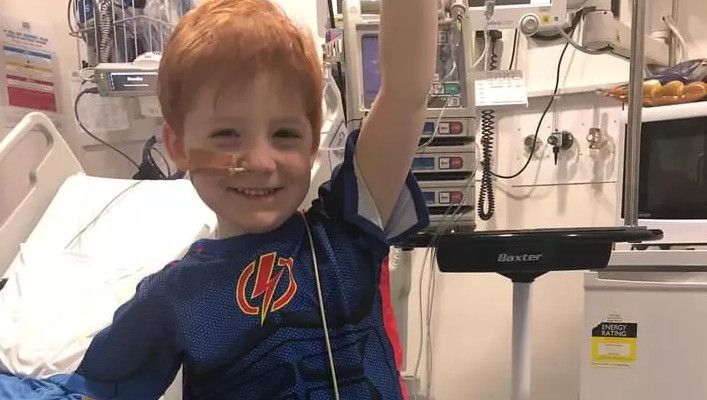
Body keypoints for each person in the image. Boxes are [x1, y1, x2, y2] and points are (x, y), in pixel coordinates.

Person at [62, 0, 438, 398]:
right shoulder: (174, 296)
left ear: (312, 144)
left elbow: (406, 93)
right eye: (227, 134)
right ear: (178, 146)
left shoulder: (346, 231)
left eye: (285, 135)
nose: (260, 162)